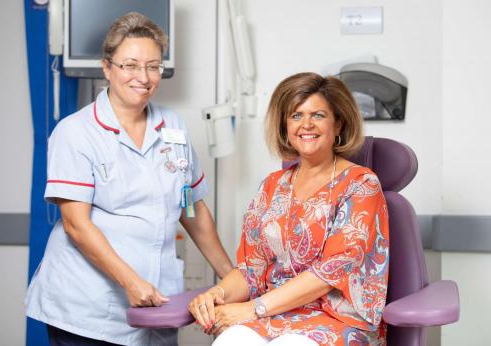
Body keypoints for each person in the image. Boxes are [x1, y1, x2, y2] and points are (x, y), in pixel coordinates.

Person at [25, 12, 233, 346]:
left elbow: (190, 208)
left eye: (153, 66)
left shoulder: (173, 127)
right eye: (131, 65)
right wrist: (130, 281)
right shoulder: (76, 132)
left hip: (158, 303)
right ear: (107, 67)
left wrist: (232, 276)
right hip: (88, 309)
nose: (144, 76)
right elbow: (76, 226)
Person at [188, 72, 390, 345]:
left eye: (318, 115)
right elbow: (252, 268)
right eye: (296, 115)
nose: (306, 124)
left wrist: (253, 308)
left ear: (338, 124)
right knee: (230, 340)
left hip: (337, 319)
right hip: (276, 313)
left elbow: (328, 274)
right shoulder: (271, 187)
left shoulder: (361, 185)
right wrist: (217, 295)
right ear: (285, 126)